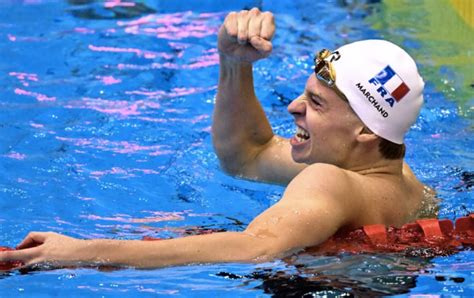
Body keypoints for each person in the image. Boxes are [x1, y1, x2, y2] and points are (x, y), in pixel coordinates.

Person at [0, 8, 432, 269]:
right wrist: (233, 63)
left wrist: (80, 252)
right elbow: (249, 153)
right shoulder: (406, 183)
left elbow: (254, 248)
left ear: (365, 131)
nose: (293, 108)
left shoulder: (329, 180)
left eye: (316, 104)